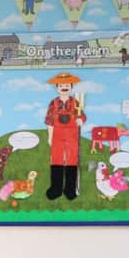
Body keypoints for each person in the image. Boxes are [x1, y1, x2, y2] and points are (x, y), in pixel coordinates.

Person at [44, 71, 86, 200]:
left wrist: (81, 120)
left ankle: (70, 190)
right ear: (56, 87)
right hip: (57, 133)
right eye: (61, 85)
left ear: (71, 86)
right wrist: (50, 136)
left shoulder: (75, 102)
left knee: (72, 160)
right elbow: (50, 120)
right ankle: (56, 189)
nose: (64, 87)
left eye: (67, 84)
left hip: (72, 133)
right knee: (56, 160)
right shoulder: (53, 103)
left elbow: (82, 115)